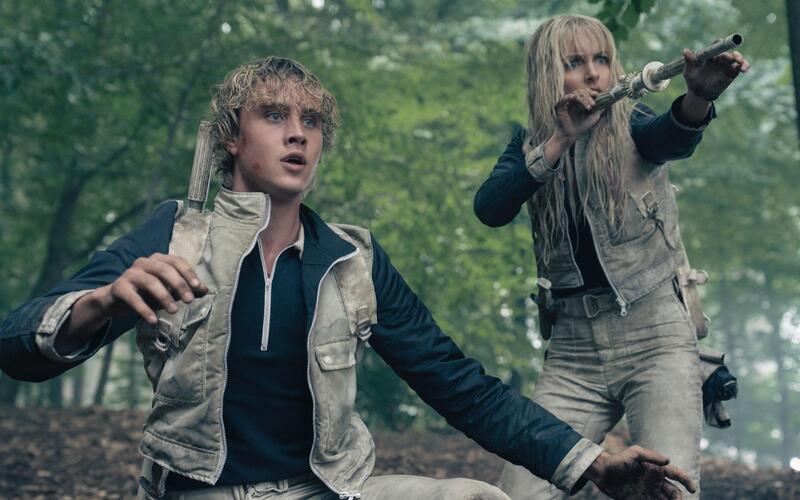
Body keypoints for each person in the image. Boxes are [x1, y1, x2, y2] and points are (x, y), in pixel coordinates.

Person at [1, 56, 695, 500]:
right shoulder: (175, 234)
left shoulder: (352, 259)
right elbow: (15, 343)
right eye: (274, 115)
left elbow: (460, 387)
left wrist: (591, 463)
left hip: (330, 490)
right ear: (232, 138)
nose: (297, 133)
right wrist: (98, 305)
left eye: (311, 121)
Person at [473, 15, 748, 500]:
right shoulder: (529, 144)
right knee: (519, 493)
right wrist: (560, 140)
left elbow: (671, 137)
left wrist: (698, 98)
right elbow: (490, 208)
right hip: (572, 351)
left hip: (656, 336)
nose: (593, 73)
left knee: (670, 490)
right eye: (574, 63)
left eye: (601, 59)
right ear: (546, 75)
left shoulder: (632, 121)